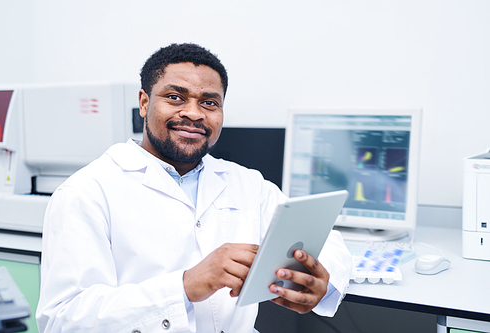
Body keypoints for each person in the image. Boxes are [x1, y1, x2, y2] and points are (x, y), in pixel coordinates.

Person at [36, 43, 352, 333]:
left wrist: (319, 277)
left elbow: (324, 240)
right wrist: (185, 286)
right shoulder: (86, 192)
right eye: (175, 97)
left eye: (209, 102)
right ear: (144, 103)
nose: (193, 113)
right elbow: (64, 319)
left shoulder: (245, 183)